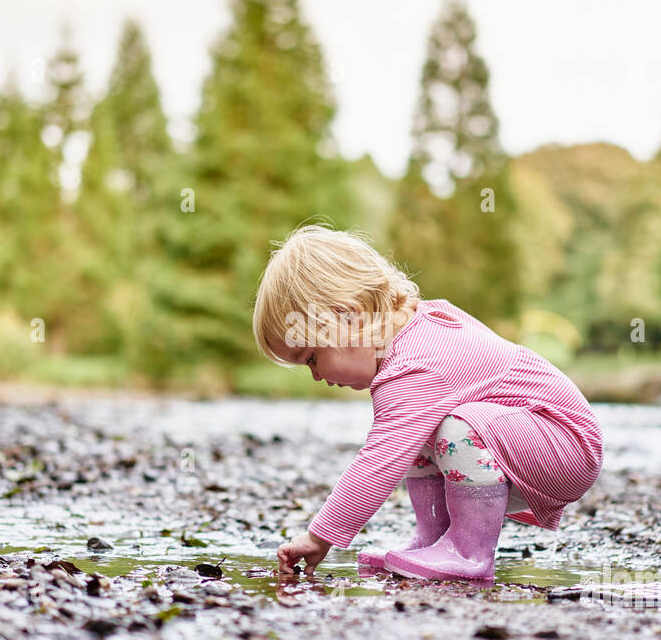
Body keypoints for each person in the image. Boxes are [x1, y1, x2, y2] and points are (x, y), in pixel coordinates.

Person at [253, 221, 603, 582]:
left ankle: (468, 553)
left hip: (565, 444)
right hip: (546, 441)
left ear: (349, 316)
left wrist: (320, 537)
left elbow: (377, 463)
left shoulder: (413, 368)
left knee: (457, 428)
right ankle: (434, 539)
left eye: (311, 357)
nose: (315, 375)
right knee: (425, 431)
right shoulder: (425, 321)